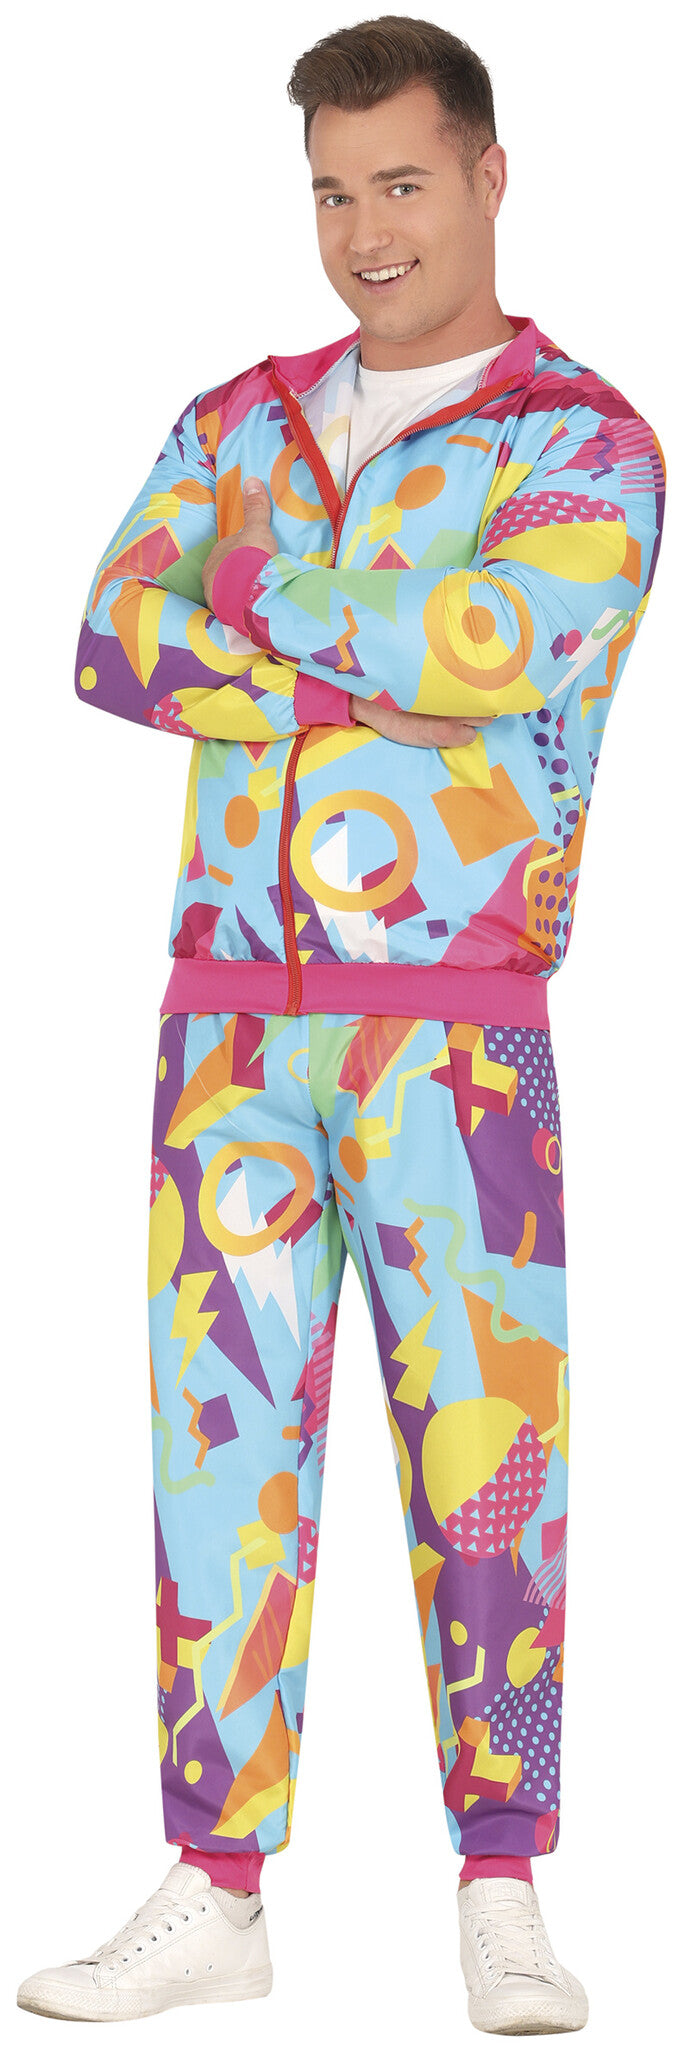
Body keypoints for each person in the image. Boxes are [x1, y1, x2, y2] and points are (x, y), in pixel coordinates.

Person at [17, 12, 665, 2033]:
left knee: (489, 1455)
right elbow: (111, 641)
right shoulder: (239, 416)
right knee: (216, 1472)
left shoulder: (585, 442)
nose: (366, 231)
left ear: (488, 176)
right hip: (225, 1022)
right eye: (330, 191)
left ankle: (503, 1885)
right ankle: (218, 1888)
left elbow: (506, 634)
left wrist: (261, 604)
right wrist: (378, 662)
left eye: (400, 182)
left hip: (454, 1032)